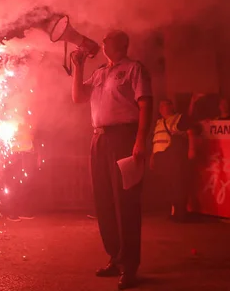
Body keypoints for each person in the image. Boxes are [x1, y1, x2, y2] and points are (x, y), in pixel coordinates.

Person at [71, 29, 153, 290]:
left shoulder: (133, 69)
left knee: (125, 202)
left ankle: (130, 265)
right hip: (100, 138)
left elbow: (145, 105)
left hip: (123, 137)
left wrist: (140, 140)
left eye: (108, 38)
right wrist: (78, 68)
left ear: (121, 43)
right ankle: (115, 258)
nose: (102, 40)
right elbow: (78, 97)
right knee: (104, 200)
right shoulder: (99, 73)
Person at [150, 98, 196, 222]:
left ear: (171, 106)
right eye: (159, 106)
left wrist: (191, 149)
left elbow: (191, 132)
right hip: (161, 158)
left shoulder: (178, 118)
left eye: (164, 105)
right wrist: (152, 157)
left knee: (177, 185)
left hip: (173, 157)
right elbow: (156, 140)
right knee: (168, 186)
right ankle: (173, 212)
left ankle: (181, 214)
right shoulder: (159, 122)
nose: (161, 108)